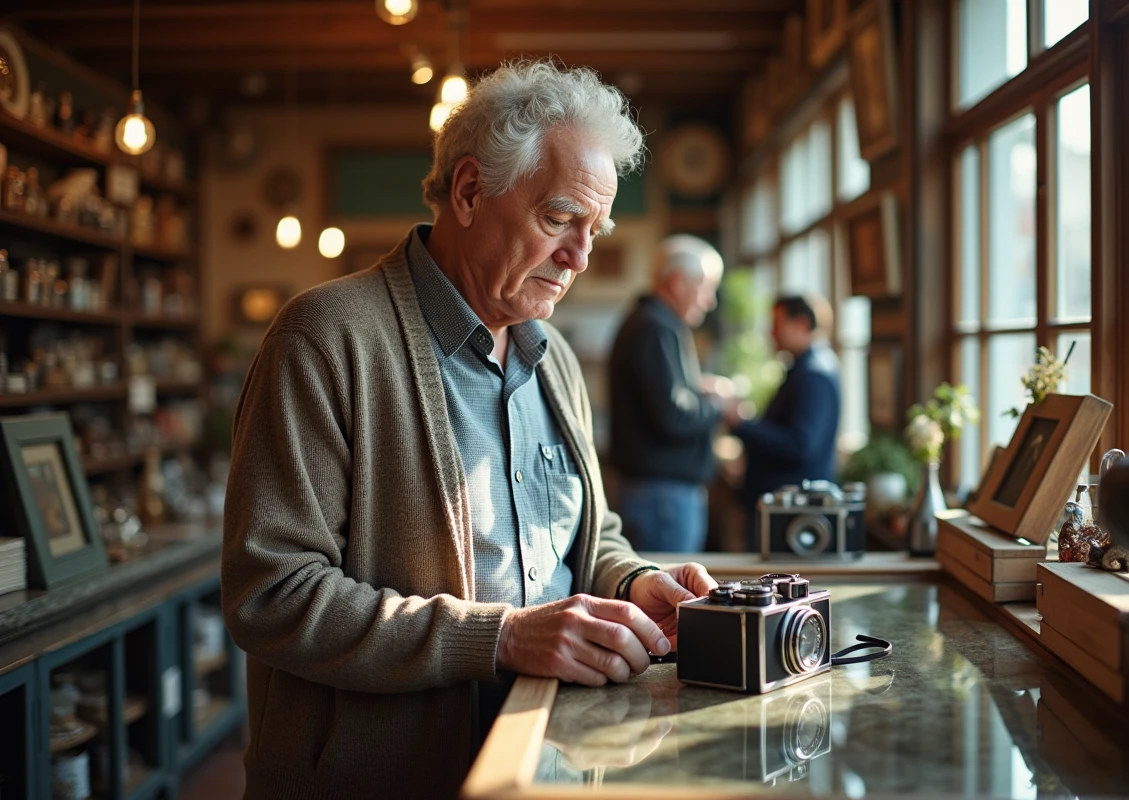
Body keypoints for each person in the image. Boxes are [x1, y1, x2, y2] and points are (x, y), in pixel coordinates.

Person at [221, 61, 717, 800]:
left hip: (540, 758)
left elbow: (588, 535)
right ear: (468, 191)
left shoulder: (556, 361)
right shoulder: (325, 337)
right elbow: (273, 593)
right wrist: (503, 636)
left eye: (594, 229)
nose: (580, 256)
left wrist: (634, 582)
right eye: (558, 219)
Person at [608, 235, 731, 553]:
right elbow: (673, 416)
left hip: (658, 495)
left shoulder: (652, 323)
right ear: (677, 282)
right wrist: (717, 403)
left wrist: (698, 390)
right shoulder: (655, 328)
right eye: (706, 288)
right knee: (669, 598)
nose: (709, 301)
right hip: (662, 498)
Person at [728, 294, 841, 549]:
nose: (771, 333)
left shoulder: (814, 374)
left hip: (791, 516)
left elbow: (800, 445)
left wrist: (742, 424)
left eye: (777, 324)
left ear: (800, 324)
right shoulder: (805, 369)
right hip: (784, 510)